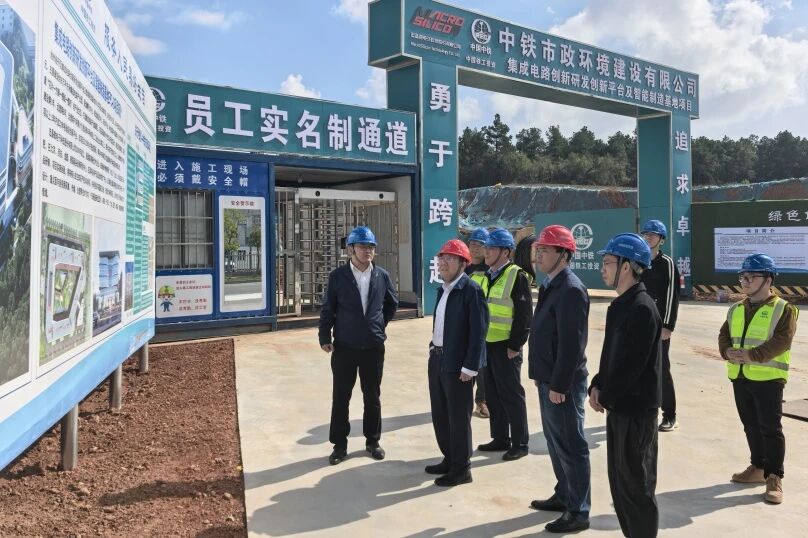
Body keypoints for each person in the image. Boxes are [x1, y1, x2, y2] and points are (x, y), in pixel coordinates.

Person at [589, 233, 662, 538]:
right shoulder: (620, 305)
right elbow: (611, 356)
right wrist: (597, 384)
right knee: (620, 484)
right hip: (619, 407)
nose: (603, 269)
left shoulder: (642, 308)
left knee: (636, 487)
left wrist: (607, 394)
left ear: (627, 267)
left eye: (608, 262)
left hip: (636, 411)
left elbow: (633, 365)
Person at [718, 253, 798, 505]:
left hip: (768, 378)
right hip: (740, 375)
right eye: (743, 276)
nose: (745, 281)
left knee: (770, 428)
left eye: (751, 276)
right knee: (750, 425)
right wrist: (726, 351)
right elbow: (724, 335)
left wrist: (752, 355)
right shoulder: (736, 308)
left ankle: (774, 476)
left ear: (768, 279)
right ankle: (758, 467)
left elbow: (782, 340)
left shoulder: (784, 309)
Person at [527, 225, 591, 533]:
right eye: (538, 250)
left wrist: (559, 385)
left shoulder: (570, 289)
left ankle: (578, 511)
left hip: (561, 384)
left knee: (570, 445)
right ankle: (565, 493)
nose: (539, 255)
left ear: (564, 255)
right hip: (548, 379)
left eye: (545, 250)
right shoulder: (551, 284)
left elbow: (572, 344)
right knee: (555, 442)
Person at [318, 225, 398, 465]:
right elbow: (328, 308)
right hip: (345, 346)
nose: (368, 251)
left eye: (371, 246)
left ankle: (373, 441)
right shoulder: (338, 277)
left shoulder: (382, 276)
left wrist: (378, 325)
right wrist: (324, 336)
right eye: (363, 246)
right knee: (341, 397)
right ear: (351, 248)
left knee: (372, 396)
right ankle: (339, 445)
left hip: (373, 347)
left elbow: (391, 304)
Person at [426, 239, 488, 486]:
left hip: (458, 365)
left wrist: (470, 367)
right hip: (438, 359)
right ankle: (450, 458)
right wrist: (433, 347)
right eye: (441, 258)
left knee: (458, 418)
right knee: (440, 413)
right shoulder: (443, 289)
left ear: (463, 263)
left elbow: (478, 332)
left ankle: (462, 468)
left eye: (450, 258)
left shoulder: (471, 291)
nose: (443, 263)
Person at [470, 228, 532, 461]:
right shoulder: (486, 274)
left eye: (491, 248)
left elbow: (524, 314)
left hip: (507, 346)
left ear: (506, 252)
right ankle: (500, 438)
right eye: (486, 247)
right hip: (488, 344)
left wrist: (516, 345)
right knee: (493, 393)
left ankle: (520, 443)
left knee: (511, 394)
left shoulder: (517, 275)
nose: (486, 252)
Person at [640, 219, 681, 432]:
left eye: (653, 234)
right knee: (639, 367)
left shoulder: (667, 264)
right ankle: (645, 409)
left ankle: (669, 415)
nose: (648, 237)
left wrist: (667, 326)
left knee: (662, 369)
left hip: (659, 327)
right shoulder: (638, 261)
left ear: (661, 239)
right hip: (639, 325)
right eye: (646, 233)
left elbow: (672, 296)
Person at [465, 228, 490, 418]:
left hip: (484, 326)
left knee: (482, 368)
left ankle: (481, 401)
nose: (474, 248)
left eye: (479, 245)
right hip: (464, 325)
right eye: (472, 244)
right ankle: (463, 401)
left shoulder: (490, 270)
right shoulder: (463, 268)